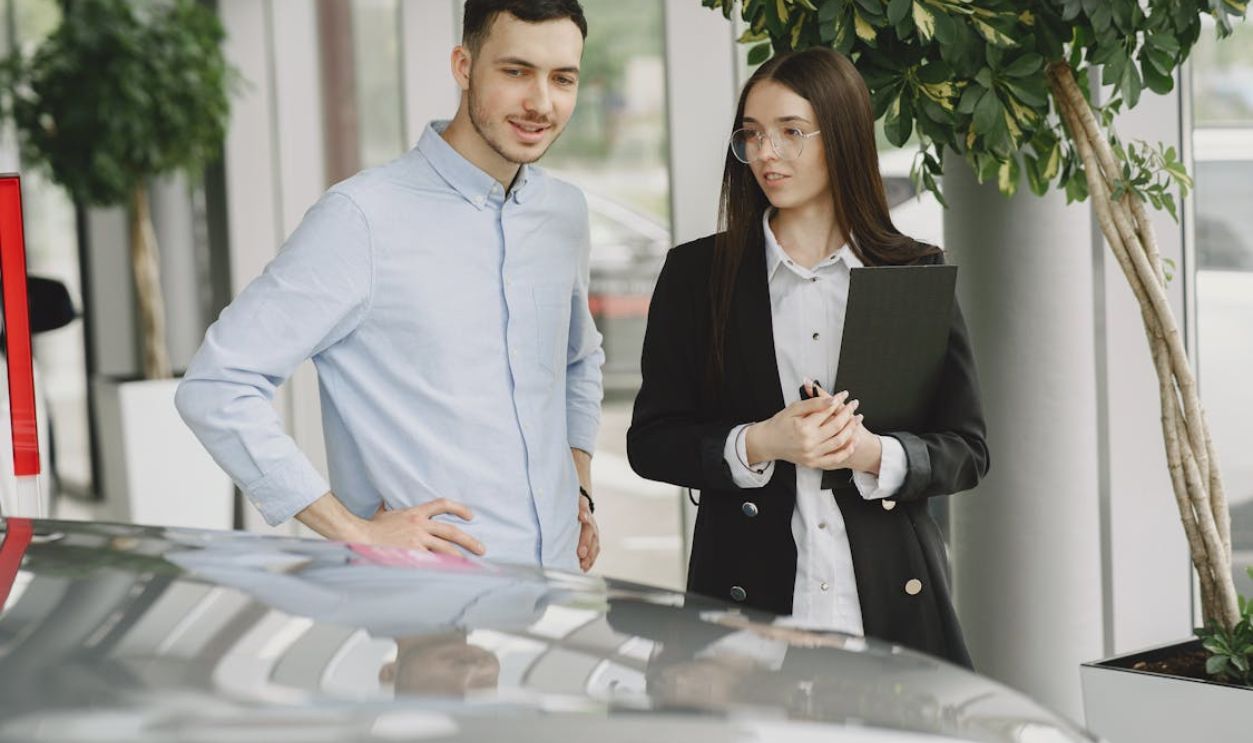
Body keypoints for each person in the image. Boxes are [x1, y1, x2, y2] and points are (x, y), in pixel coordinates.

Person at [177, 0, 603, 572]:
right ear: (463, 65)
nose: (541, 103)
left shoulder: (564, 212)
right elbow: (216, 384)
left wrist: (578, 482)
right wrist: (351, 530)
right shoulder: (361, 218)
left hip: (557, 585)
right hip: (429, 600)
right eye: (516, 71)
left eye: (562, 79)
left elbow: (579, 360)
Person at [626, 47, 989, 666]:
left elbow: (967, 450)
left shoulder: (912, 271)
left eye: (791, 133)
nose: (767, 153)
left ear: (842, 136)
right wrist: (760, 443)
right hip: (746, 614)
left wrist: (872, 453)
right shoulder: (697, 275)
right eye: (753, 135)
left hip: (888, 608)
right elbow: (651, 441)